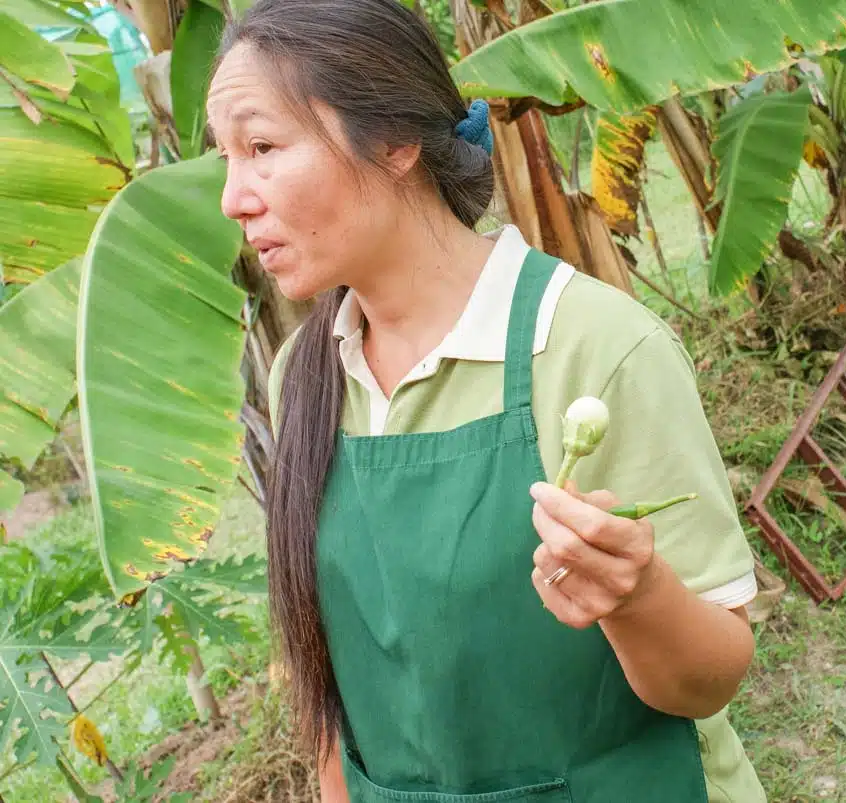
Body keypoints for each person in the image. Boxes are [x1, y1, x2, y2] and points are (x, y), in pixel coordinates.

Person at [206, 0, 767, 800]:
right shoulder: (304, 370)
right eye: (226, 157)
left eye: (262, 147)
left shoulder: (593, 346)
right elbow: (331, 678)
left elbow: (710, 678)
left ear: (397, 140)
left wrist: (637, 597)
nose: (234, 196)